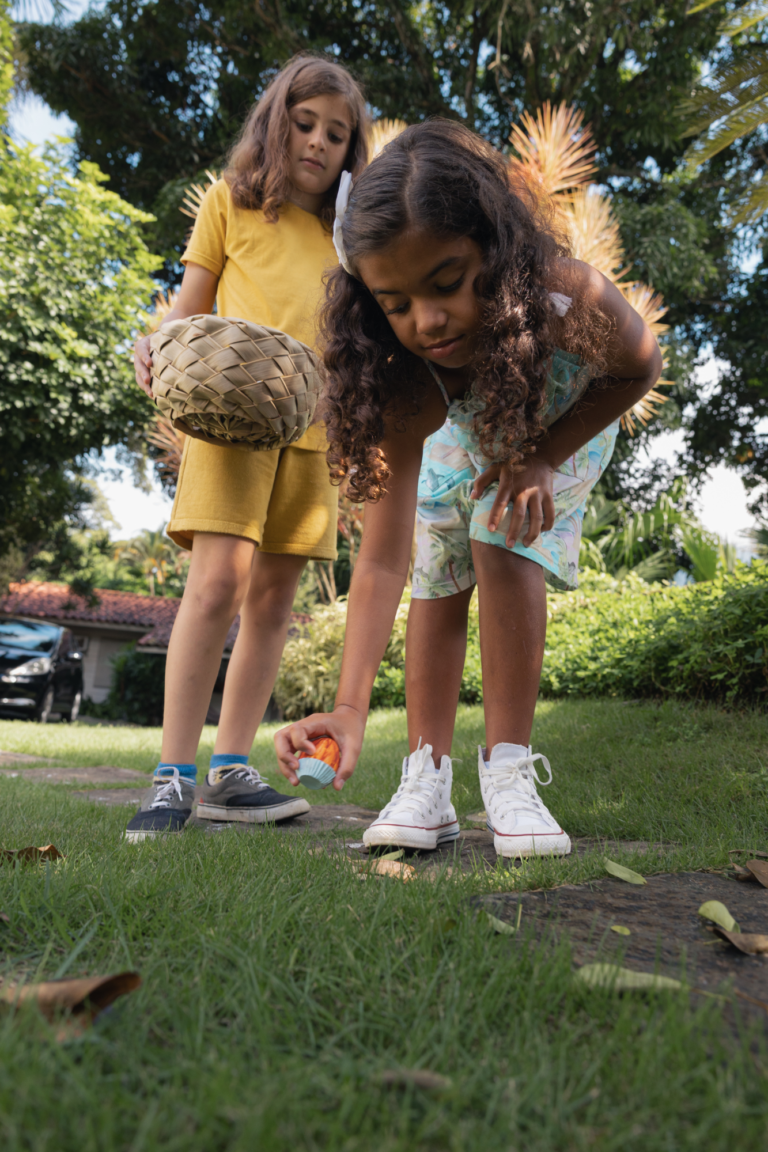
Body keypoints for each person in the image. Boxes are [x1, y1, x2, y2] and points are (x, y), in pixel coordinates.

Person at [275, 119, 663, 859]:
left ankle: (510, 769)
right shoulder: (403, 376)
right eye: (395, 303)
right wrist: (350, 707)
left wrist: (543, 457)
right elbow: (385, 559)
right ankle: (426, 775)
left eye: (447, 283)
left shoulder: (565, 293)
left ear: (494, 245)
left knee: (499, 530)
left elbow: (637, 366)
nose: (426, 320)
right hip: (472, 423)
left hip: (565, 417)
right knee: (438, 563)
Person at [125, 55, 368, 841]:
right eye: (305, 124)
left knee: (272, 603)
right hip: (233, 421)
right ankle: (172, 775)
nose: (319, 143)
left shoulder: (350, 237)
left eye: (337, 133)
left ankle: (231, 769)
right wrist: (152, 347)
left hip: (314, 429)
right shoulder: (230, 204)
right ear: (277, 122)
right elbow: (187, 310)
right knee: (216, 586)